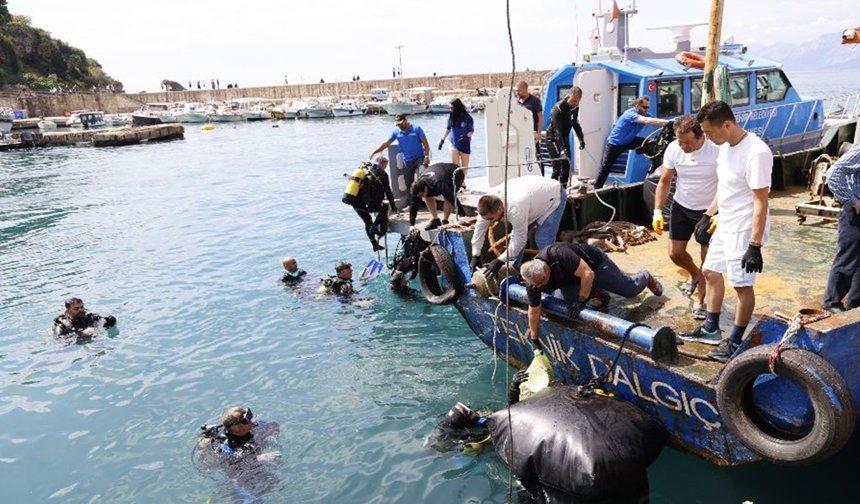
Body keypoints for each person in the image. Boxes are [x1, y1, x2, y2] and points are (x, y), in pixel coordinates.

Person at [679, 100, 772, 363]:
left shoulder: (756, 152)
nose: (706, 138)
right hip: (726, 221)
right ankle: (710, 329)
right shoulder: (725, 148)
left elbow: (760, 201)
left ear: (727, 124)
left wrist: (754, 244)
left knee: (742, 286)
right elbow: (725, 188)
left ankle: (734, 341)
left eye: (709, 132)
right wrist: (707, 215)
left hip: (745, 227)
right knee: (709, 271)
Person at [520, 242, 663, 349]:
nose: (539, 287)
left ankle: (645, 277)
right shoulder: (534, 282)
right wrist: (534, 339)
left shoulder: (559, 254)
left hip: (595, 266)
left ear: (546, 270)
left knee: (630, 291)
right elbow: (534, 310)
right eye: (536, 285)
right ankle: (597, 294)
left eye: (541, 282)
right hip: (571, 280)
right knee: (563, 302)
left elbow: (588, 274)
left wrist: (581, 301)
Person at [652, 116, 720, 320]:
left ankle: (700, 300)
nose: (683, 146)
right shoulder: (674, 148)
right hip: (682, 205)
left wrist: (717, 213)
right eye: (680, 141)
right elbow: (665, 181)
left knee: (708, 262)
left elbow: (728, 184)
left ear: (702, 138)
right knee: (675, 253)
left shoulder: (716, 151)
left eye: (688, 142)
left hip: (710, 211)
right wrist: (657, 211)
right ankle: (693, 273)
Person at [470, 177, 567, 274]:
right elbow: (479, 230)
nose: (490, 222)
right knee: (515, 240)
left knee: (543, 240)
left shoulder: (516, 207)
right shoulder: (486, 204)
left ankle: (556, 273)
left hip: (552, 198)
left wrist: (499, 261)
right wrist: (475, 255)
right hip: (531, 202)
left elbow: (520, 240)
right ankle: (513, 272)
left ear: (499, 209)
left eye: (491, 219)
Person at [595, 96, 670, 189]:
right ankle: (597, 188)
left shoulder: (645, 114)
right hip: (615, 144)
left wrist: (672, 123)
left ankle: (656, 174)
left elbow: (657, 121)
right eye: (645, 107)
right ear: (638, 105)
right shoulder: (630, 114)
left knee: (651, 145)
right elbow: (646, 121)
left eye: (648, 107)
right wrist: (667, 122)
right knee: (606, 167)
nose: (647, 110)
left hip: (629, 140)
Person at [823, 143, 860, 312]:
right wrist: (853, 201)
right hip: (855, 212)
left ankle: (854, 300)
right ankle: (832, 303)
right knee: (847, 258)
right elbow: (834, 173)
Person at [369, 114, 431, 212]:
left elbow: (425, 143)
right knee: (408, 183)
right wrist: (374, 152)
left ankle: (427, 200)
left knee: (422, 176)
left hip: (420, 157)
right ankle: (412, 203)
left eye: (401, 124)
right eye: (398, 125)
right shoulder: (396, 132)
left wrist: (427, 156)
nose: (400, 126)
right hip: (407, 160)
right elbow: (386, 143)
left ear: (406, 120)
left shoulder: (417, 128)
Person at [350, 157, 397, 251]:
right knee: (385, 207)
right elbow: (388, 191)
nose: (385, 168)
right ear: (382, 163)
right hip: (370, 203)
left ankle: (374, 245)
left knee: (367, 221)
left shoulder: (363, 171)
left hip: (355, 202)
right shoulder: (382, 173)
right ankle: (375, 226)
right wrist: (393, 206)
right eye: (385, 166)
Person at [546, 88, 585, 187]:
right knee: (557, 167)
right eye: (573, 101)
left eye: (577, 101)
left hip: (564, 137)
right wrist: (562, 149)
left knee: (567, 165)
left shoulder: (575, 107)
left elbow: (575, 123)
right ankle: (551, 191)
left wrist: (581, 138)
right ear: (568, 96)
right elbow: (557, 130)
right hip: (553, 138)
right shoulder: (558, 108)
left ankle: (563, 190)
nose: (575, 103)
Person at [409, 162, 464, 230]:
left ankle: (445, 220)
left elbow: (452, 198)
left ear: (425, 188)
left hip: (455, 173)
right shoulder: (416, 188)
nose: (421, 198)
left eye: (421, 195)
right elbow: (413, 206)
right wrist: (411, 225)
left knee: (447, 198)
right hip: (439, 171)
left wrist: (462, 215)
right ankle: (436, 220)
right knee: (427, 197)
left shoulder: (438, 184)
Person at [438, 98, 474, 175]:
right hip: (453, 143)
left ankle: (463, 180)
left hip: (465, 143)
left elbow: (471, 131)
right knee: (456, 167)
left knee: (464, 166)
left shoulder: (468, 118)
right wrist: (442, 140)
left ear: (457, 107)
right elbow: (448, 129)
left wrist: (466, 137)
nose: (450, 109)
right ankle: (459, 182)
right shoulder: (451, 117)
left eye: (452, 108)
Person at [52, 297, 116, 338]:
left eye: (82, 307)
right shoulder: (61, 325)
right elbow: (61, 341)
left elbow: (105, 321)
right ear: (67, 311)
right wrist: (82, 334)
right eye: (76, 308)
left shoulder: (90, 317)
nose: (81, 310)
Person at [515, 81, 544, 174]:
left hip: (533, 133)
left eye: (519, 91)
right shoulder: (517, 102)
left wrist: (539, 132)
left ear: (525, 89)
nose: (517, 93)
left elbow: (540, 117)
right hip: (521, 135)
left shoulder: (535, 101)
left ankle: (539, 174)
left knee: (535, 155)